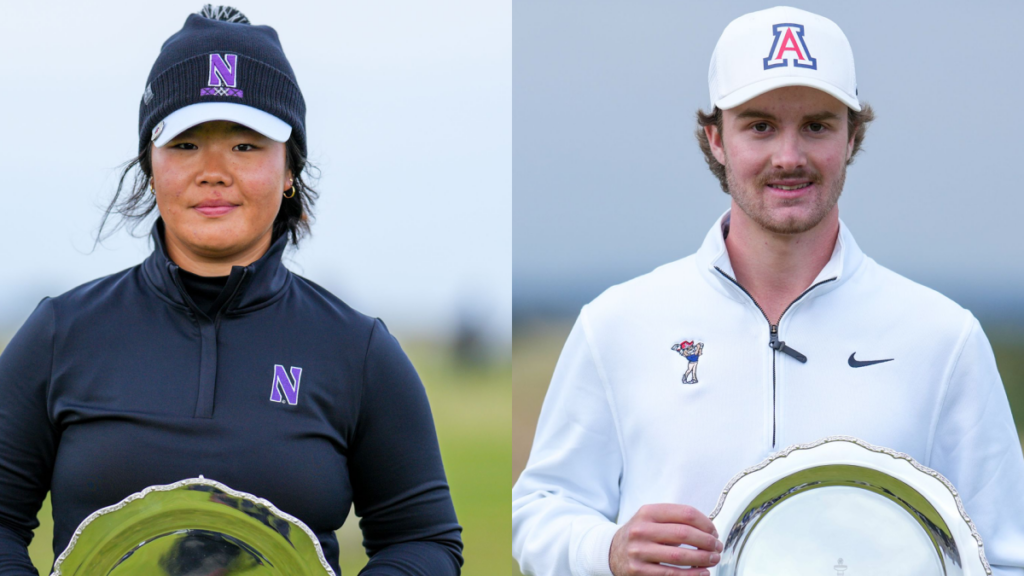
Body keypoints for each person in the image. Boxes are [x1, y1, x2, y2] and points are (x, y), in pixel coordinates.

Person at [512, 6, 1024, 576]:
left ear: (851, 136)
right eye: (760, 126)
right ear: (716, 139)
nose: (789, 156)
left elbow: (1004, 555)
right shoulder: (618, 323)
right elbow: (540, 510)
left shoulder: (942, 338)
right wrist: (603, 550)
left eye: (816, 125)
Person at [0, 6, 462, 575]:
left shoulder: (355, 349)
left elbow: (424, 541)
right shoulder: (60, 334)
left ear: (290, 168)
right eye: (186, 144)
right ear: (150, 163)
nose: (214, 171)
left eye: (246, 145)